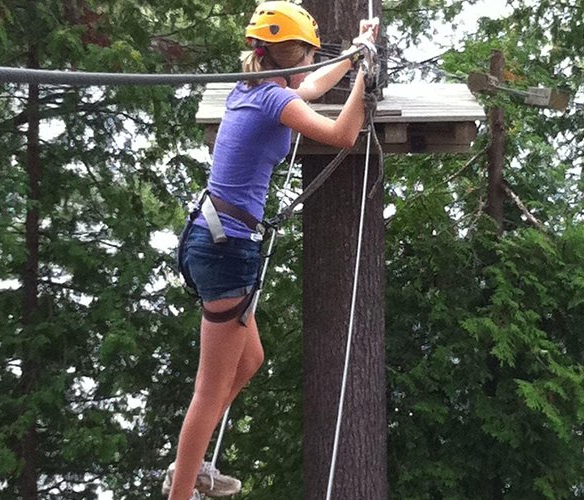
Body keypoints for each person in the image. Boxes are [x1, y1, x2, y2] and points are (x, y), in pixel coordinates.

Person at [164, 2, 378, 499]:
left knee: (250, 359)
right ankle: (183, 483)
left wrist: (353, 55)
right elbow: (343, 135)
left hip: (214, 239)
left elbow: (311, 86)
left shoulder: (255, 90)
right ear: (293, 53)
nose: (309, 61)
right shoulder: (271, 101)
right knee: (209, 389)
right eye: (307, 52)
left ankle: (190, 462)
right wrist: (365, 79)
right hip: (226, 248)